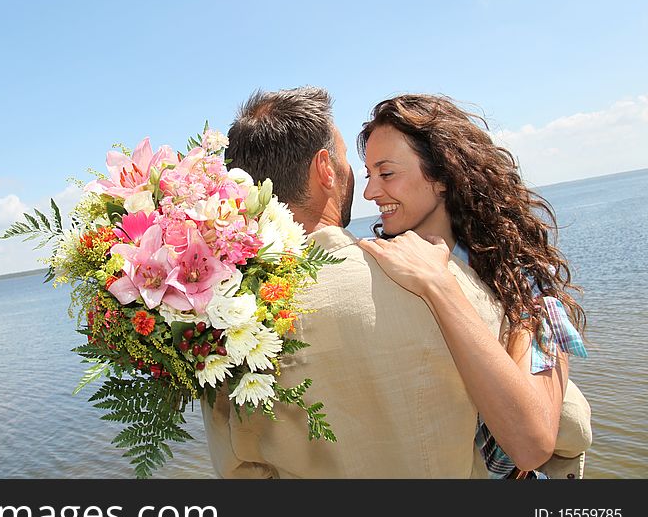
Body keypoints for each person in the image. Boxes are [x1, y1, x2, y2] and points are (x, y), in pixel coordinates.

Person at [201, 86, 507, 477]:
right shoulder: (441, 279)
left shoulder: (218, 322)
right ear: (326, 169)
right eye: (347, 162)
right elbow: (560, 430)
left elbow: (238, 469)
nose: (360, 185)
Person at [356, 94, 590, 479]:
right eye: (369, 176)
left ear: (443, 177)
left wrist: (439, 286)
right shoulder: (376, 267)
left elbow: (531, 444)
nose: (370, 193)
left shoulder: (522, 289)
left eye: (386, 173)